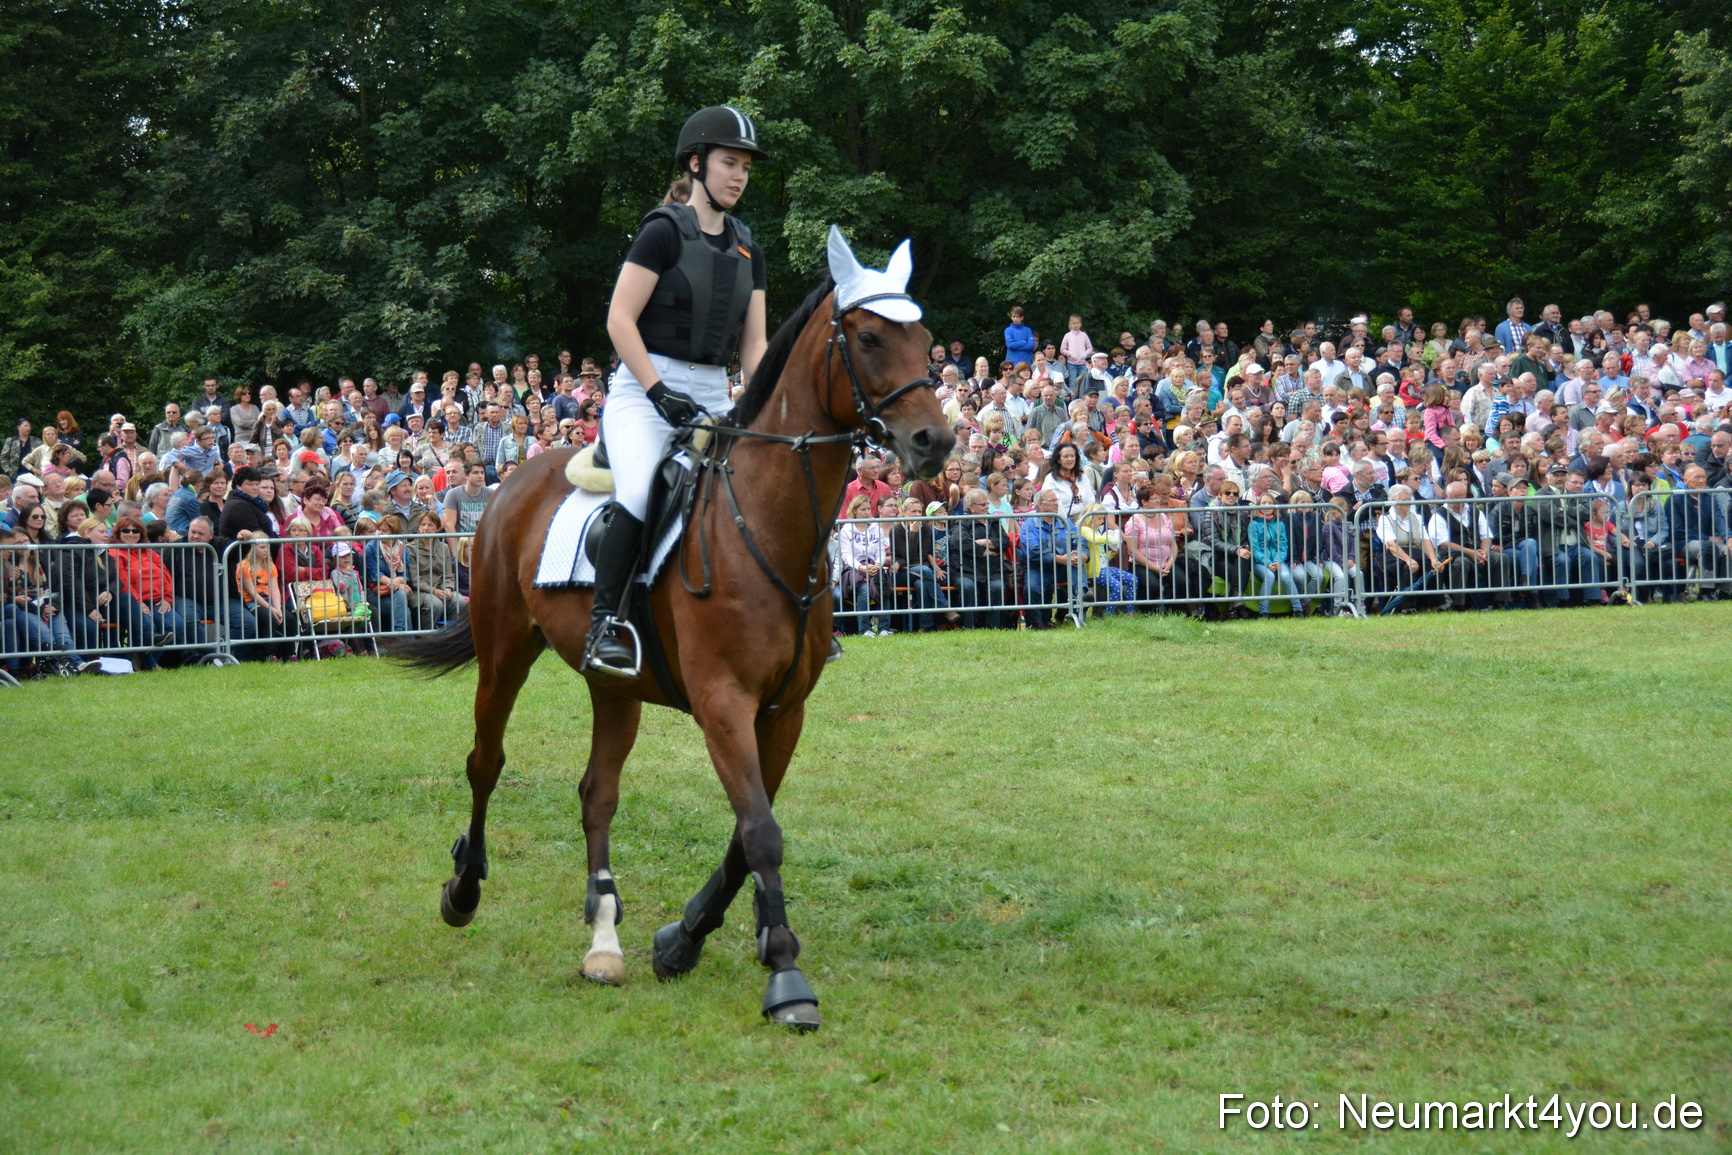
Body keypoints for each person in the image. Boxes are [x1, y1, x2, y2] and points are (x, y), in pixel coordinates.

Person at [587, 105, 771, 674]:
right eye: (728, 163)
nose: (738, 175)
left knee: (767, 490)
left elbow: (756, 346)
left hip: (716, 394)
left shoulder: (749, 248)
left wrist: (758, 400)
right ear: (696, 163)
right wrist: (660, 391)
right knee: (641, 491)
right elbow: (620, 319)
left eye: (744, 166)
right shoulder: (661, 232)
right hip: (644, 391)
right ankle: (604, 625)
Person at [407, 510, 466, 628]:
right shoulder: (410, 548)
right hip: (421, 592)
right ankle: (427, 637)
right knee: (436, 604)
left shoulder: (443, 547)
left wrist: (448, 588)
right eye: (423, 525)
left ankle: (452, 636)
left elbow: (449, 575)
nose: (426, 528)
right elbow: (414, 579)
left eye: (430, 525)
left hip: (441, 589)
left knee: (460, 601)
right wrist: (433, 590)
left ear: (437, 528)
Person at [1249, 492, 1303, 617]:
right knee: (1269, 576)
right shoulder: (1253, 524)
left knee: (1286, 576)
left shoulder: (1280, 524)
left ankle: (1298, 610)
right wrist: (1267, 563)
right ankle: (1264, 611)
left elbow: (1283, 545)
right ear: (1258, 505)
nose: (1267, 505)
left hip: (1278, 560)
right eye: (1263, 503)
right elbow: (1255, 548)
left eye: (1270, 503)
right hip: (1260, 561)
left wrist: (1278, 560)